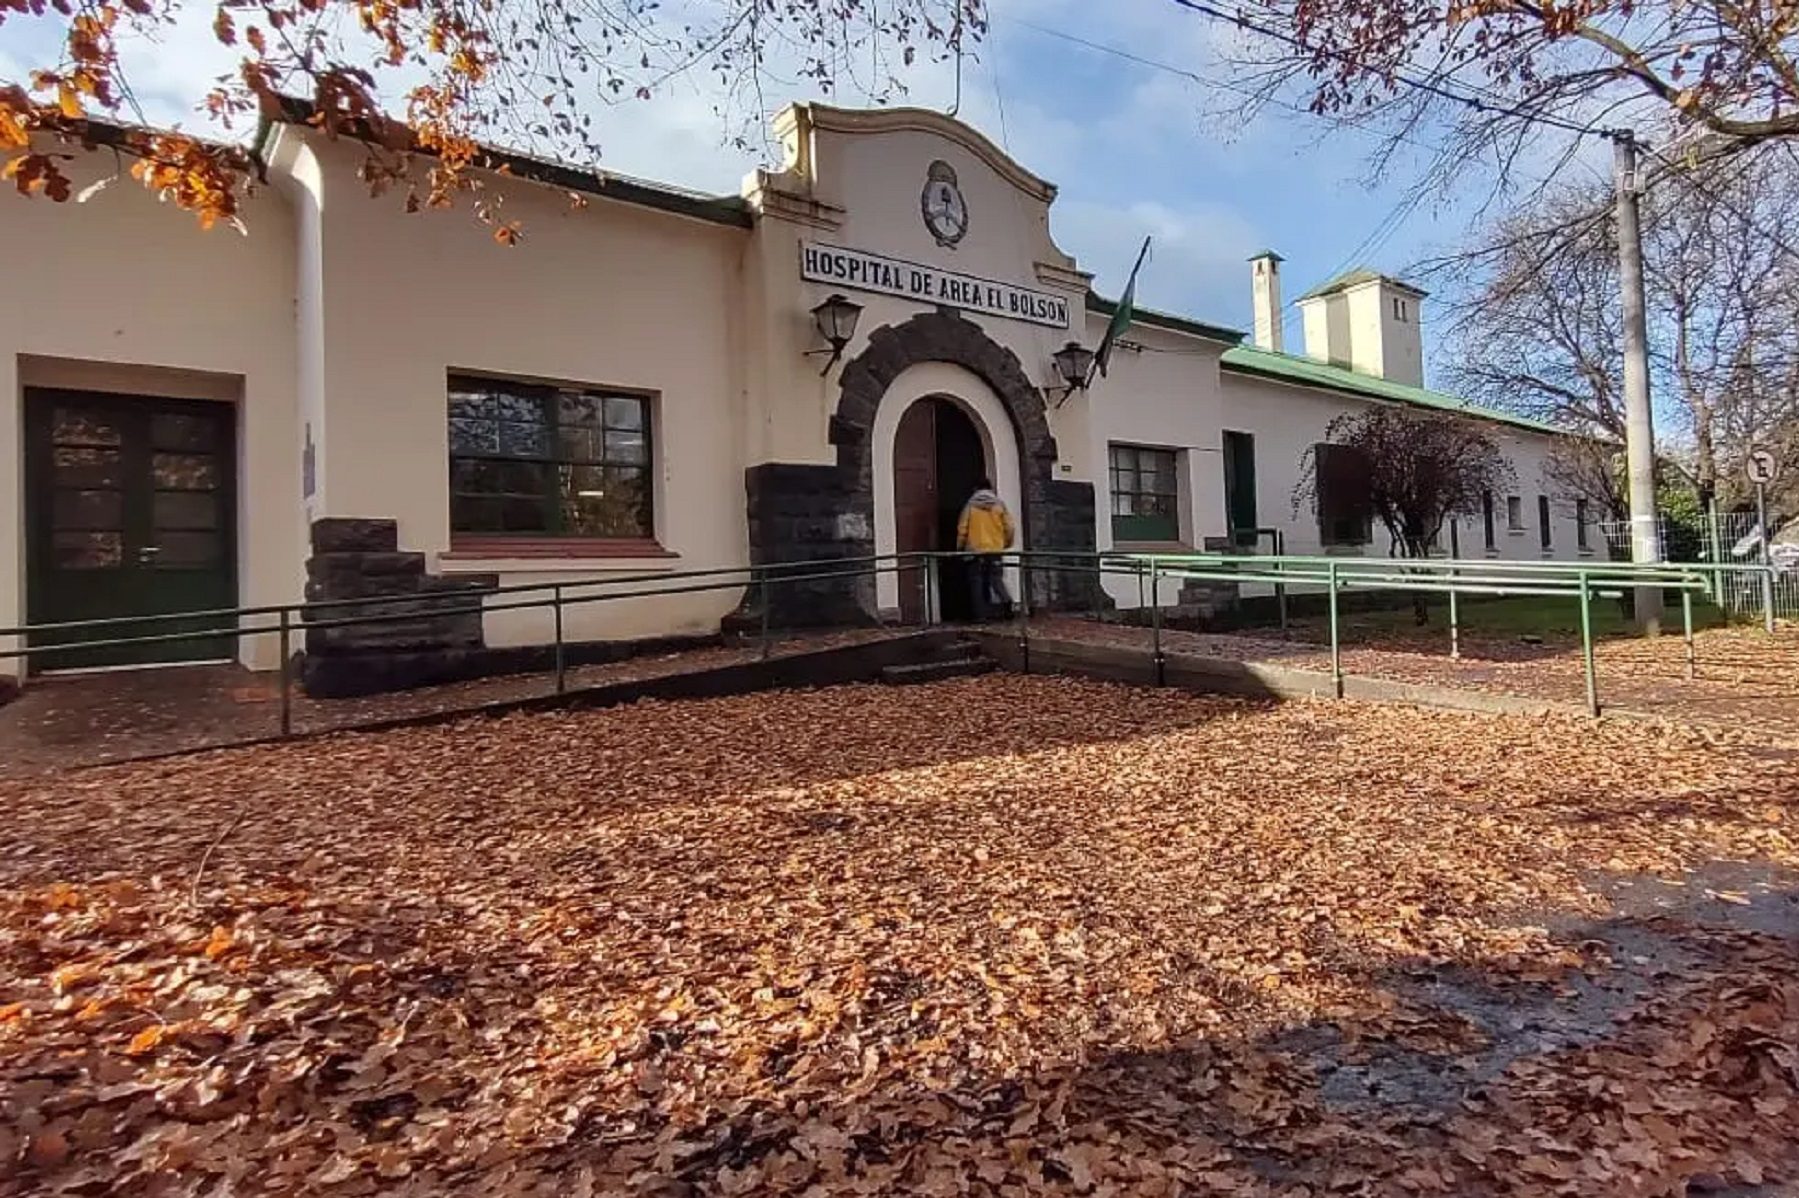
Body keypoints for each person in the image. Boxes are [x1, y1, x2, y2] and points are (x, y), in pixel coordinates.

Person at [956, 478, 1015, 621]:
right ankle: (1007, 602)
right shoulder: (1000, 505)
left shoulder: (970, 506)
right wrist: (1005, 544)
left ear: (976, 489)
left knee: (976, 582)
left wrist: (960, 548)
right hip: (995, 550)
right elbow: (1010, 527)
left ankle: (980, 615)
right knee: (996, 579)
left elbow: (962, 529)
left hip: (975, 550)